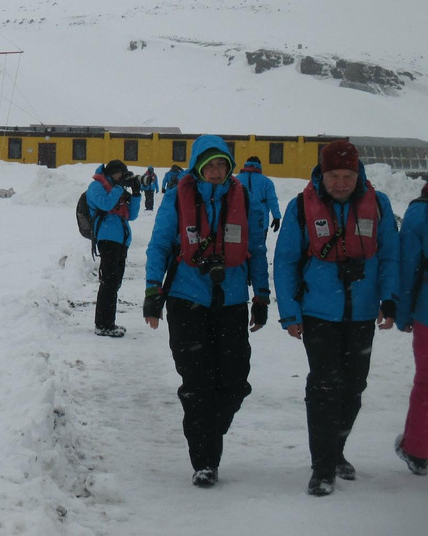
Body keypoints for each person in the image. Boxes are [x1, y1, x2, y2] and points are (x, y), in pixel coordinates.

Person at [273, 139, 399, 496]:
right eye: (334, 175)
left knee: (354, 387)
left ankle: (337, 448)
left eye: (347, 175)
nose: (341, 182)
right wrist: (289, 313)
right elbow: (284, 262)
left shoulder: (378, 205)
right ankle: (322, 467)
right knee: (325, 387)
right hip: (318, 313)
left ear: (357, 174)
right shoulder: (301, 207)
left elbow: (389, 255)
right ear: (322, 175)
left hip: (361, 314)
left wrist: (389, 301)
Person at [143, 135, 270, 488]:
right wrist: (153, 291)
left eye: (222, 165)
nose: (215, 171)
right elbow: (160, 246)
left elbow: (257, 250)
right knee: (197, 384)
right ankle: (205, 460)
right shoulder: (176, 198)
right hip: (187, 301)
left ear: (229, 168)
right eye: (209, 165)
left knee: (233, 383)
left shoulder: (244, 200)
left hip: (231, 303)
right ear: (198, 168)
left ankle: (209, 431)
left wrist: (261, 296)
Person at [87, 159, 141, 338]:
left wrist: (136, 192)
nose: (122, 177)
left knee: (115, 282)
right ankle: (103, 324)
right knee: (109, 282)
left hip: (121, 241)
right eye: (120, 173)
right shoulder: (96, 187)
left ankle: (108, 321)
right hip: (107, 239)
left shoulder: (118, 189)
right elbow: (105, 205)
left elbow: (131, 215)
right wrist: (118, 187)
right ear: (111, 173)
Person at [395, 180, 428, 475]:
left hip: (426, 312)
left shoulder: (420, 213)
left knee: (427, 384)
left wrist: (403, 314)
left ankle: (418, 450)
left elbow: (408, 267)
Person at [239, 156, 282, 240]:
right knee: (259, 247)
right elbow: (272, 200)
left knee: (239, 246)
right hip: (260, 220)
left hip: (240, 217)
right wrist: (276, 217)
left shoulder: (237, 180)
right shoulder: (266, 182)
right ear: (259, 165)